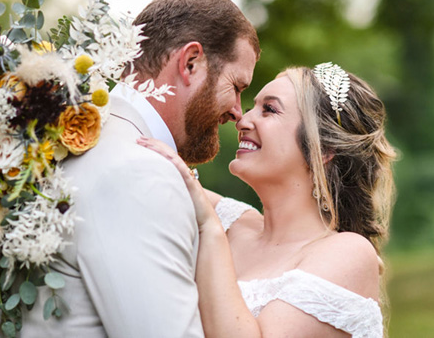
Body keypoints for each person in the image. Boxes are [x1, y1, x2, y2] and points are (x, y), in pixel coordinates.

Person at [19, 0, 260, 337]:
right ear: (191, 62)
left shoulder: (54, 144)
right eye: (236, 86)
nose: (238, 112)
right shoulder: (140, 174)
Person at [138, 63, 396, 338]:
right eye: (253, 106)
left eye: (269, 110)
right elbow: (145, 161)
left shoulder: (348, 253)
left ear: (323, 148)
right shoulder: (229, 219)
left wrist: (209, 230)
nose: (243, 120)